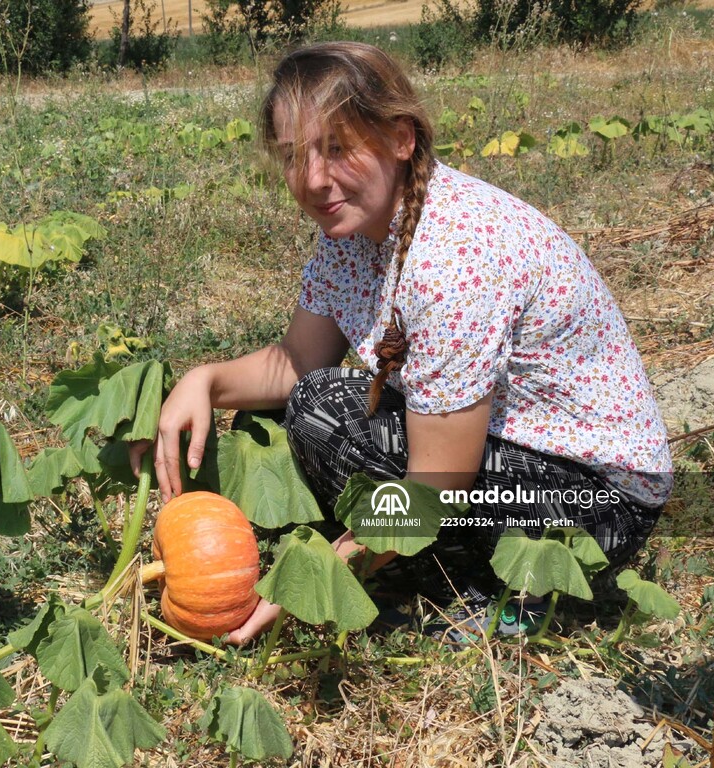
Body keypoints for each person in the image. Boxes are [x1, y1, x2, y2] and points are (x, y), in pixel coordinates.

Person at [130, 41, 672, 645]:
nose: (313, 179)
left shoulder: (454, 260)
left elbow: (438, 483)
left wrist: (312, 583)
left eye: (337, 148)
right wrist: (204, 380)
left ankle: (508, 603)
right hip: (509, 452)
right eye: (293, 155)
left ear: (400, 138)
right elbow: (298, 362)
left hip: (592, 505)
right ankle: (432, 573)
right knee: (317, 405)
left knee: (355, 439)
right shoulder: (355, 225)